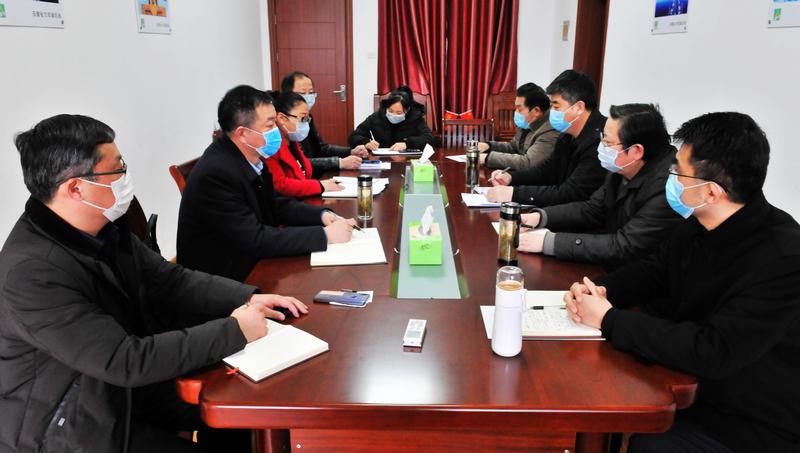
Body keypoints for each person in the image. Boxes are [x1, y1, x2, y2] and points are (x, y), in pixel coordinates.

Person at [0, 114, 310, 453]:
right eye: (117, 170)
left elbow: (169, 280)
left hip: (127, 391)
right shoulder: (31, 273)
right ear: (76, 188)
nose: (125, 177)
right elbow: (123, 359)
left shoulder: (102, 227)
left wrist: (248, 298)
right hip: (71, 427)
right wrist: (234, 330)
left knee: (241, 407)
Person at [564, 112, 800, 452]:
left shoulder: (784, 258)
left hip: (745, 420)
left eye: (677, 172)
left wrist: (608, 319)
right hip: (686, 381)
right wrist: (600, 289)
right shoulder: (698, 222)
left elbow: (713, 350)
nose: (669, 178)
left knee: (647, 443)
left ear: (712, 192)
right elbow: (653, 270)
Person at [177, 85, 355, 282]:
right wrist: (324, 236)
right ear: (242, 133)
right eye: (270, 126)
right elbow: (255, 239)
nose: (276, 131)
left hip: (250, 257)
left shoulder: (251, 156)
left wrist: (321, 215)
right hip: (223, 278)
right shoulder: (216, 173)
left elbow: (275, 203)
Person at [517, 103, 683, 268]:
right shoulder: (621, 166)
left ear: (636, 151)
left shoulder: (668, 187)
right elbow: (591, 209)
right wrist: (541, 217)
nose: (601, 145)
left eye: (607, 142)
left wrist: (550, 242)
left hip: (636, 272)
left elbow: (624, 244)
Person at [487, 70, 607, 207]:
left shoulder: (600, 141)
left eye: (556, 106)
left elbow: (571, 192)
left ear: (579, 107)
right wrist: (511, 177)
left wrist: (515, 194)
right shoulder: (567, 133)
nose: (552, 112)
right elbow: (547, 171)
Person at [281, 71, 369, 172]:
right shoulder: (283, 122)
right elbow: (298, 163)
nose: (308, 97)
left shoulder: (308, 118)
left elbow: (321, 148)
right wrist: (339, 163)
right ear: (288, 94)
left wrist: (350, 151)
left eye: (311, 92)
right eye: (303, 93)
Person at [263, 90, 344, 198]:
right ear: (282, 118)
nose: (306, 124)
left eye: (307, 119)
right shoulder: (271, 146)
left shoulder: (293, 142)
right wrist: (319, 185)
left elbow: (304, 173)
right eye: (303, 118)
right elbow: (280, 185)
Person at [477, 82, 559, 171]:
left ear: (536, 110)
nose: (516, 112)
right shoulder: (528, 123)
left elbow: (528, 162)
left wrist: (487, 158)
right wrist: (488, 145)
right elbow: (513, 146)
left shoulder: (550, 130)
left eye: (519, 109)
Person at [349, 85, 435, 151]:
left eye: (399, 112)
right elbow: (354, 136)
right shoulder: (377, 116)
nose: (393, 115)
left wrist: (407, 144)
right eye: (390, 111)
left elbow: (429, 139)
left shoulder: (415, 118)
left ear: (407, 110)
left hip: (407, 161)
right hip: (382, 160)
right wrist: (366, 143)